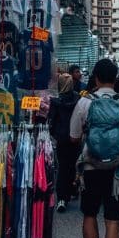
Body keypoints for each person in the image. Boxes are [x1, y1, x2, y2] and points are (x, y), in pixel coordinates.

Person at [70, 58, 119, 238]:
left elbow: (73, 137)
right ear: (116, 77)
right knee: (112, 220)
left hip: (90, 166)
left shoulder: (84, 102)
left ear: (96, 78)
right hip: (118, 170)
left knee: (90, 215)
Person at [48, 73, 81, 212]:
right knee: (72, 165)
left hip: (61, 138)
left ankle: (62, 197)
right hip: (75, 138)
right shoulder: (78, 99)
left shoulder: (56, 102)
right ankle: (72, 188)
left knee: (62, 167)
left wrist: (54, 134)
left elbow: (52, 122)